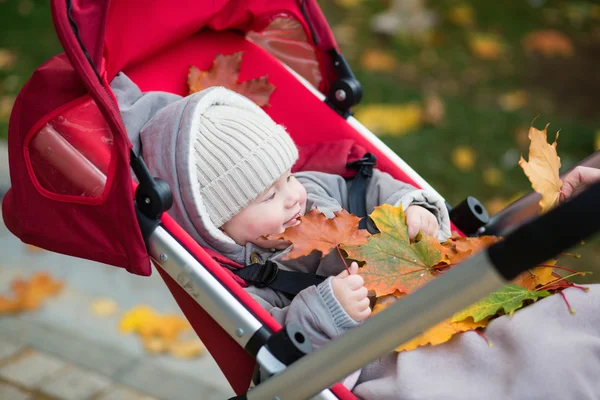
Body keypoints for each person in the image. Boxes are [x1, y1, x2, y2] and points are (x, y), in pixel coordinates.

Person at [111, 74, 600, 400]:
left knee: (569, 330)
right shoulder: (242, 284)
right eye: (267, 196)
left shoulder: (320, 191)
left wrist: (416, 209)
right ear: (214, 223)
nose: (292, 198)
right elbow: (278, 355)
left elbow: (379, 190)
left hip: (448, 296)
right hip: (388, 349)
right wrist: (327, 310)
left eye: (287, 177)